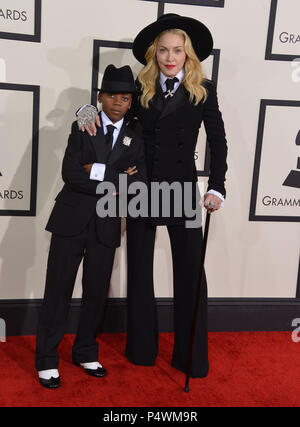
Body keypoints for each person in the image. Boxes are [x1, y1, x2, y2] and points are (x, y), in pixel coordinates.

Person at [77, 13, 228, 378]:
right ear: (154, 53)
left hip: (180, 187)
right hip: (142, 187)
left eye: (177, 50)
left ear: (188, 54)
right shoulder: (139, 86)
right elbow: (113, 114)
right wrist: (85, 112)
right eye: (163, 50)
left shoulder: (203, 89)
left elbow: (218, 140)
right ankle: (142, 350)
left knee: (191, 272)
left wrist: (217, 185)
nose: (170, 56)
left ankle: (191, 357)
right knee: (140, 270)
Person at [35, 64, 147, 388]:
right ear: (100, 97)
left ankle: (85, 351)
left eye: (124, 98)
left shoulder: (136, 137)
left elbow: (137, 182)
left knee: (96, 293)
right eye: (111, 95)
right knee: (57, 291)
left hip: (107, 224)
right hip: (70, 220)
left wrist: (96, 171)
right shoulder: (83, 124)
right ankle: (46, 359)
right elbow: (71, 172)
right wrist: (115, 178)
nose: (117, 102)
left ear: (130, 102)